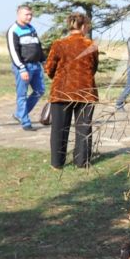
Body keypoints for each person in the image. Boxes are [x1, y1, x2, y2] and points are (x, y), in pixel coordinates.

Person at [43, 12, 101, 169]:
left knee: (59, 129)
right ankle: (82, 162)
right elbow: (93, 68)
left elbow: (49, 69)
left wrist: (59, 77)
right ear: (83, 26)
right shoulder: (91, 45)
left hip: (61, 92)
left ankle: (57, 163)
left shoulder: (58, 44)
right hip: (85, 92)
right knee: (84, 128)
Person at [7, 5, 46, 131]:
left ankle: (19, 114)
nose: (29, 17)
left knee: (40, 90)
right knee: (22, 95)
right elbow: (14, 52)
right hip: (23, 67)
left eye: (30, 14)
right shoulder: (13, 30)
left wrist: (43, 61)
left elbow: (38, 47)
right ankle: (25, 122)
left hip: (36, 66)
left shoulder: (32, 28)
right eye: (26, 14)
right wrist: (22, 68)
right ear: (18, 14)